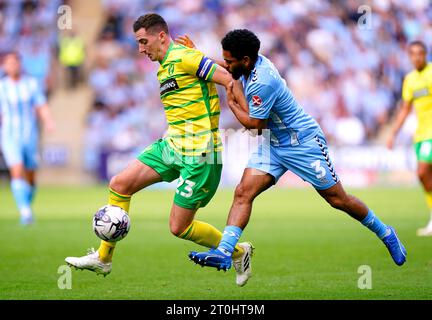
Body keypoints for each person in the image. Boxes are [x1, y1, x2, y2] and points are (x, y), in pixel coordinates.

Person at [185, 29, 407, 285]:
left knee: (338, 199)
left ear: (245, 60)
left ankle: (386, 232)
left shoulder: (262, 82)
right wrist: (199, 56)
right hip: (274, 145)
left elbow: (255, 126)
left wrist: (233, 103)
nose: (225, 64)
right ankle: (226, 251)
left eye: (229, 61)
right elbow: (230, 77)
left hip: (303, 144)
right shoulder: (246, 66)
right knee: (243, 192)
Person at [65, 14, 253, 285]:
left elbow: (229, 79)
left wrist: (246, 116)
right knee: (119, 184)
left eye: (144, 41)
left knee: (179, 227)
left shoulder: (185, 57)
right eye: (138, 43)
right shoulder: (165, 65)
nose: (141, 49)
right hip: (172, 144)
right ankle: (103, 258)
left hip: (200, 152)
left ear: (161, 36)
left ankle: (238, 251)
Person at [0, 51, 55, 225]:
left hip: (30, 135)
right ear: (4, 66)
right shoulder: (2, 87)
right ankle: (25, 212)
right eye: (8, 63)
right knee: (17, 170)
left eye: (15, 63)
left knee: (30, 175)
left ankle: (26, 207)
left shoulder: (31, 84)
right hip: (9, 135)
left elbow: (41, 105)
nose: (12, 66)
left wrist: (48, 122)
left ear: (19, 64)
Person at [387, 41, 432, 236]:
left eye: (420, 54)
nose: (417, 57)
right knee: (425, 177)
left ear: (425, 54)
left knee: (422, 172)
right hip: (420, 135)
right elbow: (405, 110)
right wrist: (393, 133)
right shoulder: (410, 80)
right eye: (413, 54)